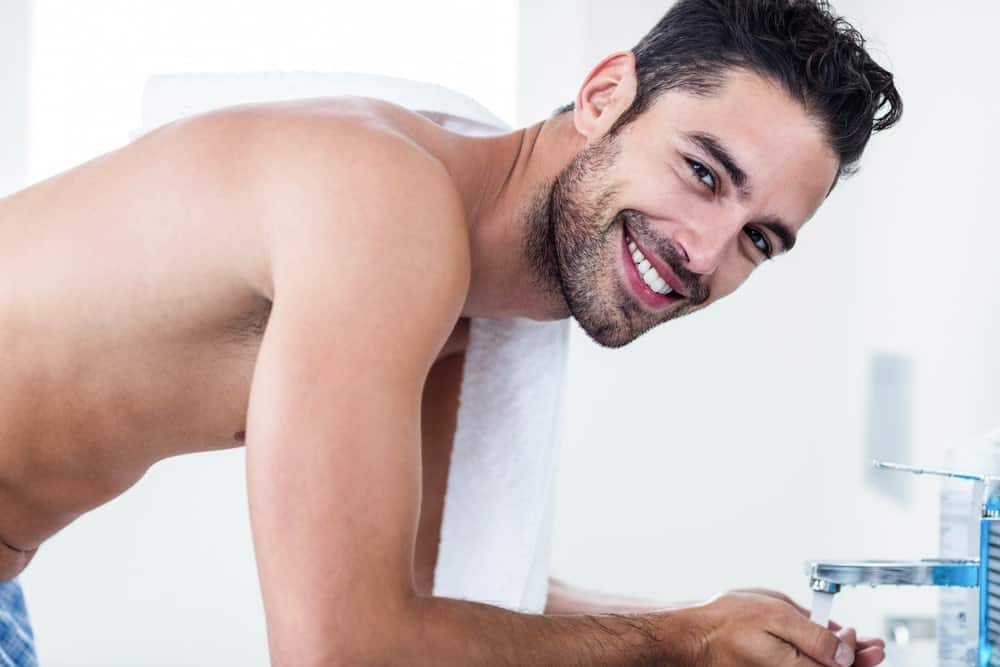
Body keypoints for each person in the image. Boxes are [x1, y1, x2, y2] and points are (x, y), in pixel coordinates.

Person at [0, 0, 901, 664]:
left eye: (758, 238)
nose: (706, 254)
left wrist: (725, 627)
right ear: (603, 95)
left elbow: (450, 601)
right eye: (703, 171)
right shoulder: (389, 210)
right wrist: (680, 640)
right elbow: (339, 647)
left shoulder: (455, 305)